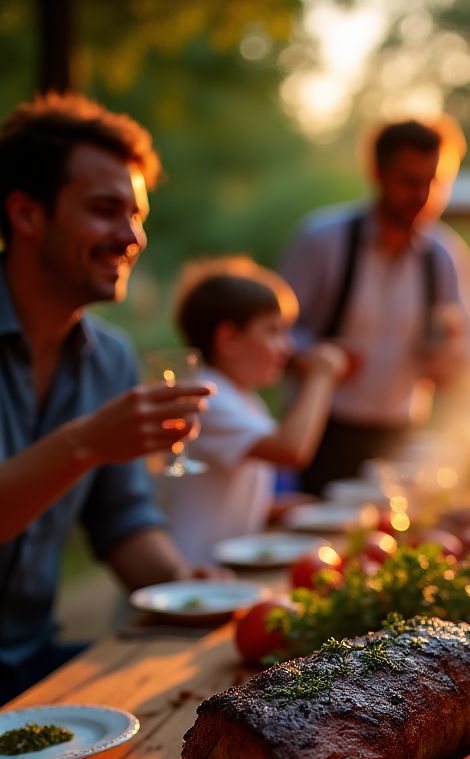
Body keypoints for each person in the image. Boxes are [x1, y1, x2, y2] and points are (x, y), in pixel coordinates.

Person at [0, 92, 216, 700]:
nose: (131, 237)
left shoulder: (112, 355)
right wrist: (87, 442)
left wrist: (182, 585)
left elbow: (121, 519)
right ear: (26, 214)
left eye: (137, 214)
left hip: (34, 658)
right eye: (104, 210)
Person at [279, 117, 470, 493]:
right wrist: (318, 356)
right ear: (377, 173)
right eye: (410, 181)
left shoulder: (444, 255)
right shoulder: (323, 240)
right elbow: (276, 335)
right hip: (324, 433)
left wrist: (450, 363)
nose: (423, 196)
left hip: (402, 435)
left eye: (435, 182)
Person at [159, 257, 349, 563]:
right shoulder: (207, 396)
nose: (287, 348)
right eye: (274, 332)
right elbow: (290, 450)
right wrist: (321, 376)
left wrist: (272, 509)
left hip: (220, 569)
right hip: (193, 572)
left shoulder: (242, 398)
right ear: (229, 339)